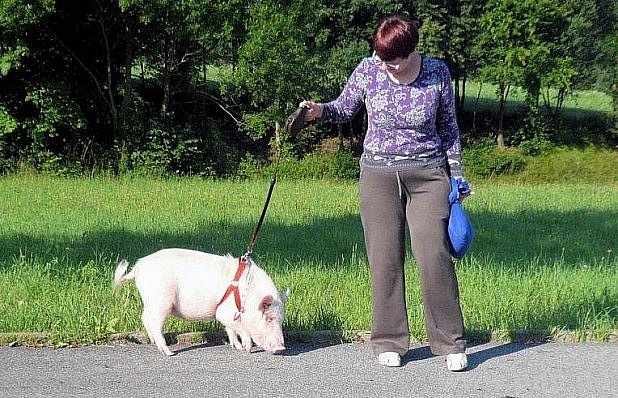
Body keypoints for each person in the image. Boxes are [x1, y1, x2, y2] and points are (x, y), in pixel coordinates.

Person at [298, 15, 470, 371]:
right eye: (381, 57)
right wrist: (317, 111)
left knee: (434, 256)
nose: (386, 65)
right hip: (377, 176)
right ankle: (390, 341)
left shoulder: (437, 73)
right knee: (384, 259)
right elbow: (344, 108)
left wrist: (458, 179)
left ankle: (450, 342)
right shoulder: (368, 69)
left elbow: (449, 129)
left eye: (392, 59)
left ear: (411, 51)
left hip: (428, 175)